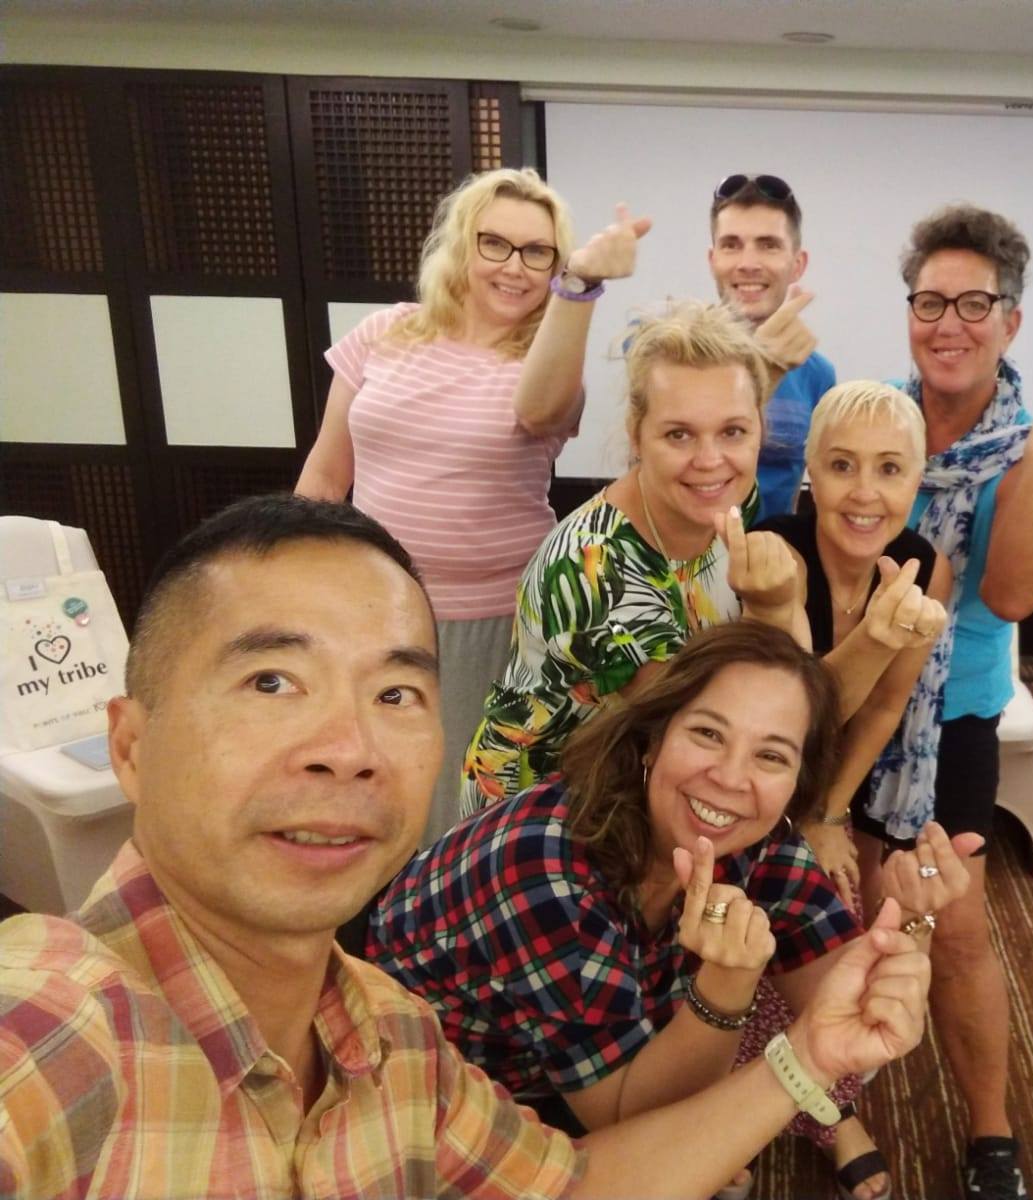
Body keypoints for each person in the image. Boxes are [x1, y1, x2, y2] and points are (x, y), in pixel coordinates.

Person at [0, 495, 934, 1200]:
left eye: (395, 694)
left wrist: (829, 1035)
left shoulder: (401, 1051)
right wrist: (729, 993)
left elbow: (574, 1184)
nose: (348, 749)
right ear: (132, 745)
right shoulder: (56, 1034)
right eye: (272, 681)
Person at [366, 621, 977, 1196]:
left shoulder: (760, 839)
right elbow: (636, 1124)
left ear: (798, 780)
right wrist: (728, 983)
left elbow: (857, 1009)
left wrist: (908, 920)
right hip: (427, 1098)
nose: (731, 778)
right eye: (708, 733)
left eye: (771, 756)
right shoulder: (544, 878)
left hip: (571, 1050)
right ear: (652, 740)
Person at [460, 299, 942, 816]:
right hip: (543, 814)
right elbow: (752, 729)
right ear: (637, 435)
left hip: (637, 792)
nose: (710, 461)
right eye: (679, 434)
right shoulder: (597, 569)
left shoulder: (725, 503)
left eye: (733, 431)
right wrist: (860, 635)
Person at [296, 165, 652, 848]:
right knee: (363, 774)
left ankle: (439, 913)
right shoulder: (384, 332)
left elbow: (541, 409)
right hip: (370, 605)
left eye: (538, 252)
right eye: (495, 243)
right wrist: (291, 584)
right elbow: (326, 472)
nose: (514, 267)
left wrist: (580, 286)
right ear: (463, 244)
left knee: (457, 805)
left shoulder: (548, 358)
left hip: (488, 621)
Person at [878, 205, 1033, 1200]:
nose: (949, 324)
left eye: (974, 304)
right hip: (848, 696)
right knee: (825, 906)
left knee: (956, 926)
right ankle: (816, 1103)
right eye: (930, 302)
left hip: (949, 721)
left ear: (1011, 322)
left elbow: (1014, 595)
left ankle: (991, 1133)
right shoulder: (875, 422)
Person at [754, 380, 954, 1200]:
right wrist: (803, 820)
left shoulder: (924, 564)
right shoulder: (775, 554)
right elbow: (785, 715)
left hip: (833, 786)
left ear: (917, 479)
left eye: (889, 468)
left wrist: (829, 813)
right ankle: (739, 1111)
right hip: (748, 774)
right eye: (842, 466)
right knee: (749, 942)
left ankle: (829, 1113)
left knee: (843, 942)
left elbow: (881, 709)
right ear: (810, 470)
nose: (864, 492)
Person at [708, 172, 836, 521]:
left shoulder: (817, 374)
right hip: (688, 551)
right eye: (731, 245)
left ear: (797, 265)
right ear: (713, 260)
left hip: (776, 550)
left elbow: (806, 485)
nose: (748, 263)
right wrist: (762, 370)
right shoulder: (672, 357)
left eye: (768, 245)